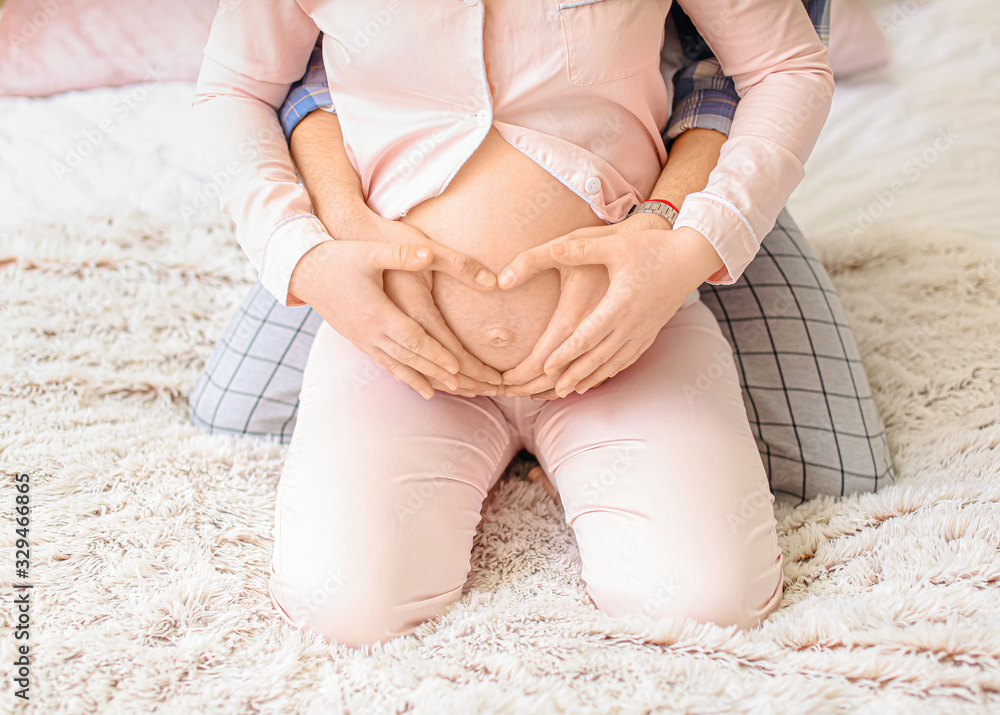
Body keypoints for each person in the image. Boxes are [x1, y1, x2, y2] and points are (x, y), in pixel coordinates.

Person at [193, 0, 836, 649]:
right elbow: (235, 88)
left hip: (629, 338)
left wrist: (689, 246)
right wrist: (302, 255)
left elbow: (787, 66)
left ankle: (568, 448)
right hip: (398, 355)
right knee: (343, 608)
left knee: (708, 603)